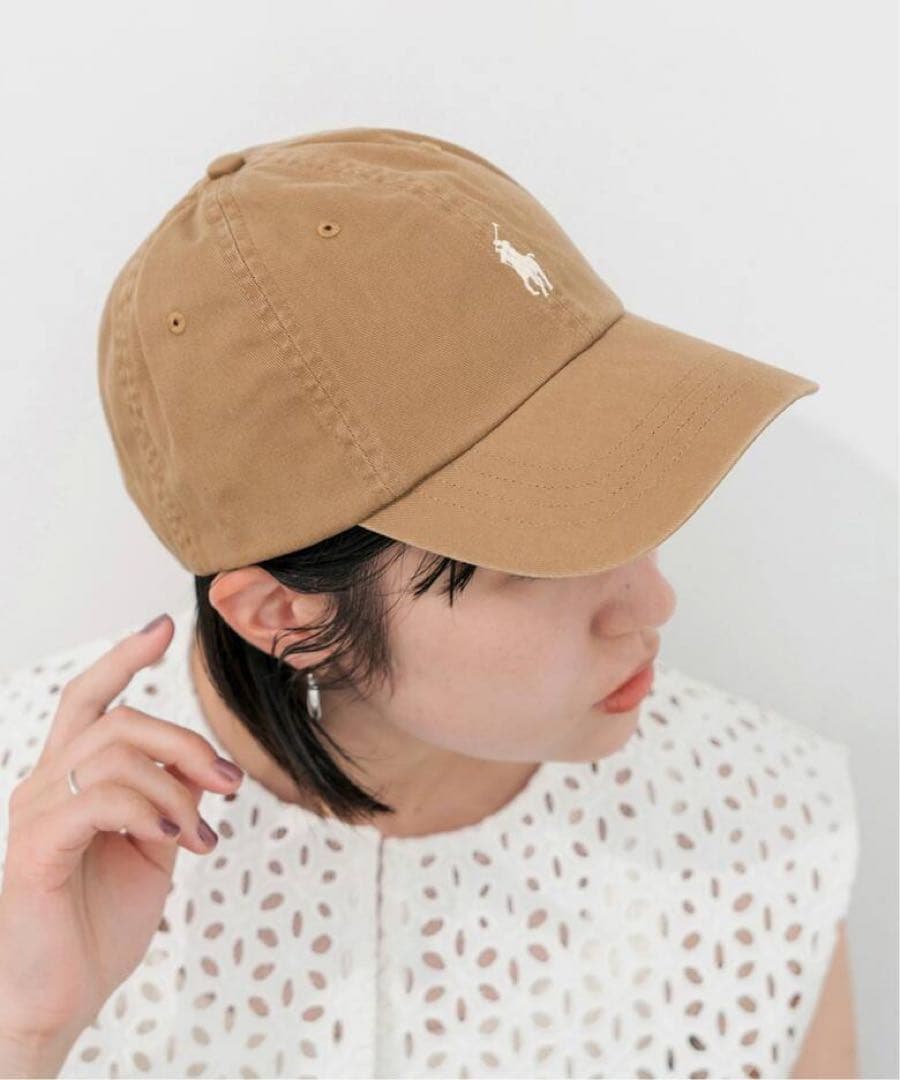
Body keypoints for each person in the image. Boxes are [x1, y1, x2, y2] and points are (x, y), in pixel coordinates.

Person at [0, 126, 859, 1079]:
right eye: (538, 553)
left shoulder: (760, 823)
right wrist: (27, 1037)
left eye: (625, 489)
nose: (651, 603)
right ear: (284, 615)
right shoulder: (29, 842)